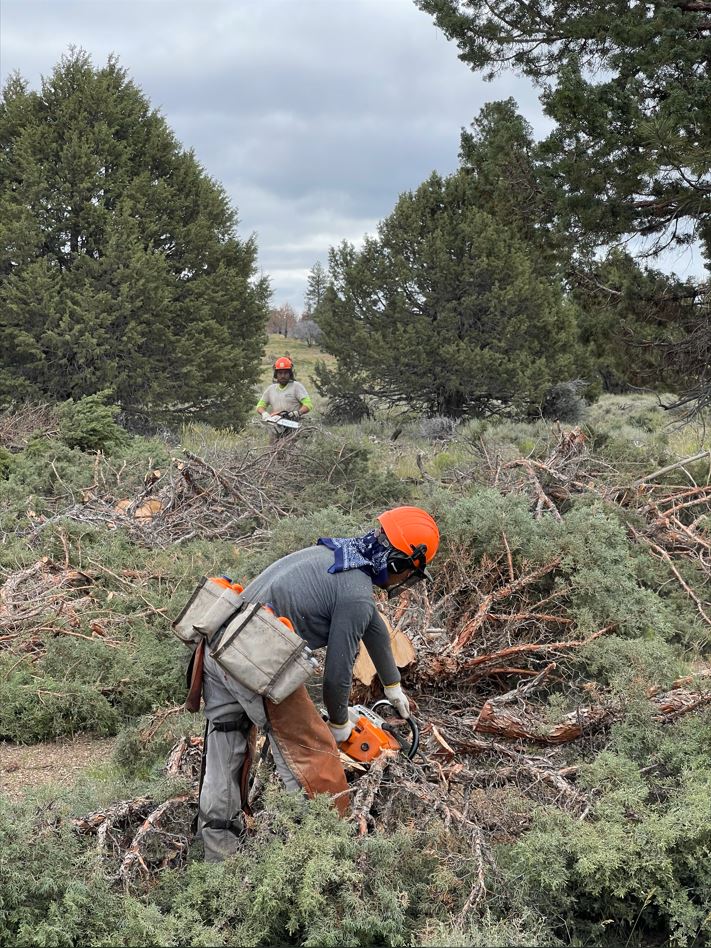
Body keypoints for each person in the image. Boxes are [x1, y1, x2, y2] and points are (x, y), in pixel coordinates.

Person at [197, 505, 440, 861]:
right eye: (410, 574)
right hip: (254, 657)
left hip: (218, 644)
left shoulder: (343, 556)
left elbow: (372, 624)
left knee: (225, 747)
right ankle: (320, 858)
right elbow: (337, 675)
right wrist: (340, 727)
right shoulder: (356, 591)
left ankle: (217, 859)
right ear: (400, 562)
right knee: (313, 759)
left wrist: (393, 687)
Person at [256, 357, 312, 437]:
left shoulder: (297, 387)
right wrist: (264, 414)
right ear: (276, 374)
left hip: (294, 426)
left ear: (290, 374)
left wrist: (298, 412)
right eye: (280, 373)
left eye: (285, 373)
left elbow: (308, 404)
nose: (283, 376)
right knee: (273, 447)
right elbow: (260, 406)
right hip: (276, 427)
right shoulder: (270, 389)